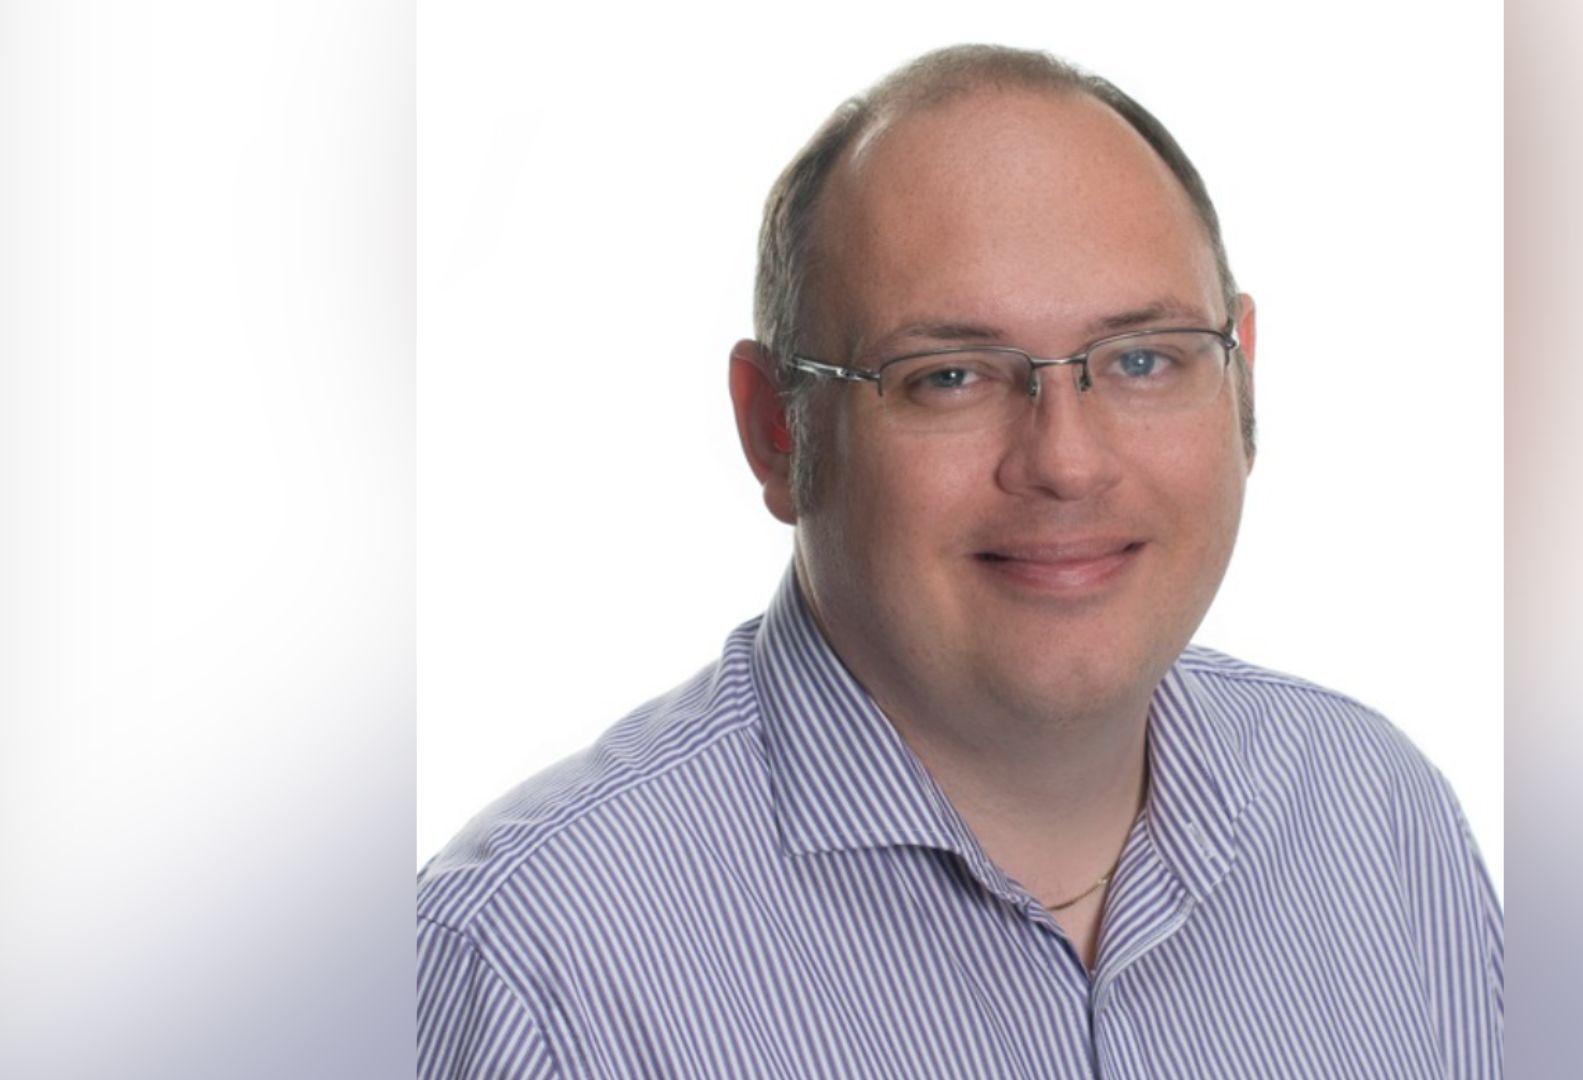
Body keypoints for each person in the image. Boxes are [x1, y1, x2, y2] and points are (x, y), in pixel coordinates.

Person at [417, 44, 1502, 1079]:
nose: (1067, 463)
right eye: (949, 377)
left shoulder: (1376, 817)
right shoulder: (528, 967)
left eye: (1140, 359)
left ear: (1242, 385)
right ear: (775, 432)